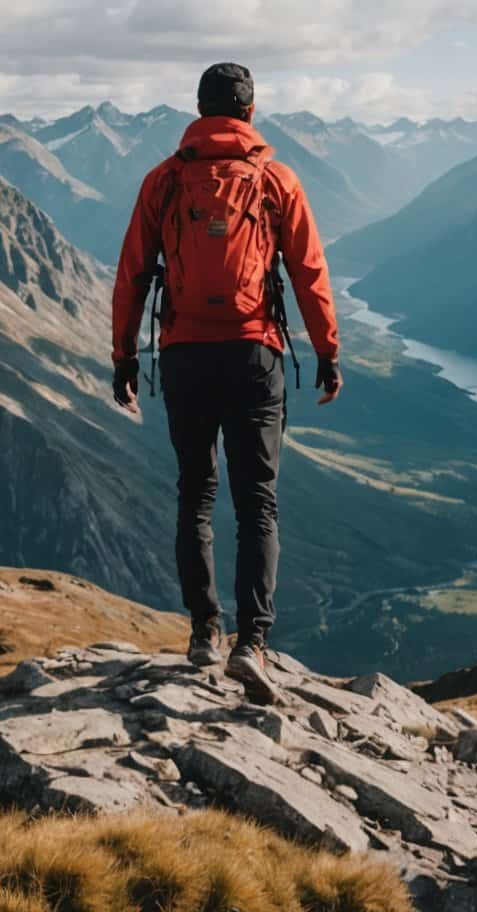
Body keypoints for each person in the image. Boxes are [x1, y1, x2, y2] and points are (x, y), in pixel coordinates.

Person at [110, 62, 341, 703]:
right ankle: (253, 644)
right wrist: (327, 350)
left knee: (196, 495)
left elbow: (132, 271)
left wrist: (123, 356)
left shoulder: (165, 179)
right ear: (250, 111)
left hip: (185, 355)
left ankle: (204, 631)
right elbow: (308, 270)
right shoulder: (274, 178)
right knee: (258, 501)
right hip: (254, 356)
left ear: (199, 108)